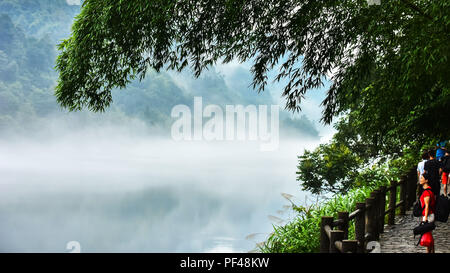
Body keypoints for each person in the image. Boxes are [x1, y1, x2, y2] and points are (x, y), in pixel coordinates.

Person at [419, 173, 436, 253]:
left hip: (428, 215)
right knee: (429, 235)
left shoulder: (426, 192)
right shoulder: (429, 190)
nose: (420, 179)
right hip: (429, 215)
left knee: (427, 236)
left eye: (422, 178)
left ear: (426, 180)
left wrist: (425, 218)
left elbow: (427, 206)